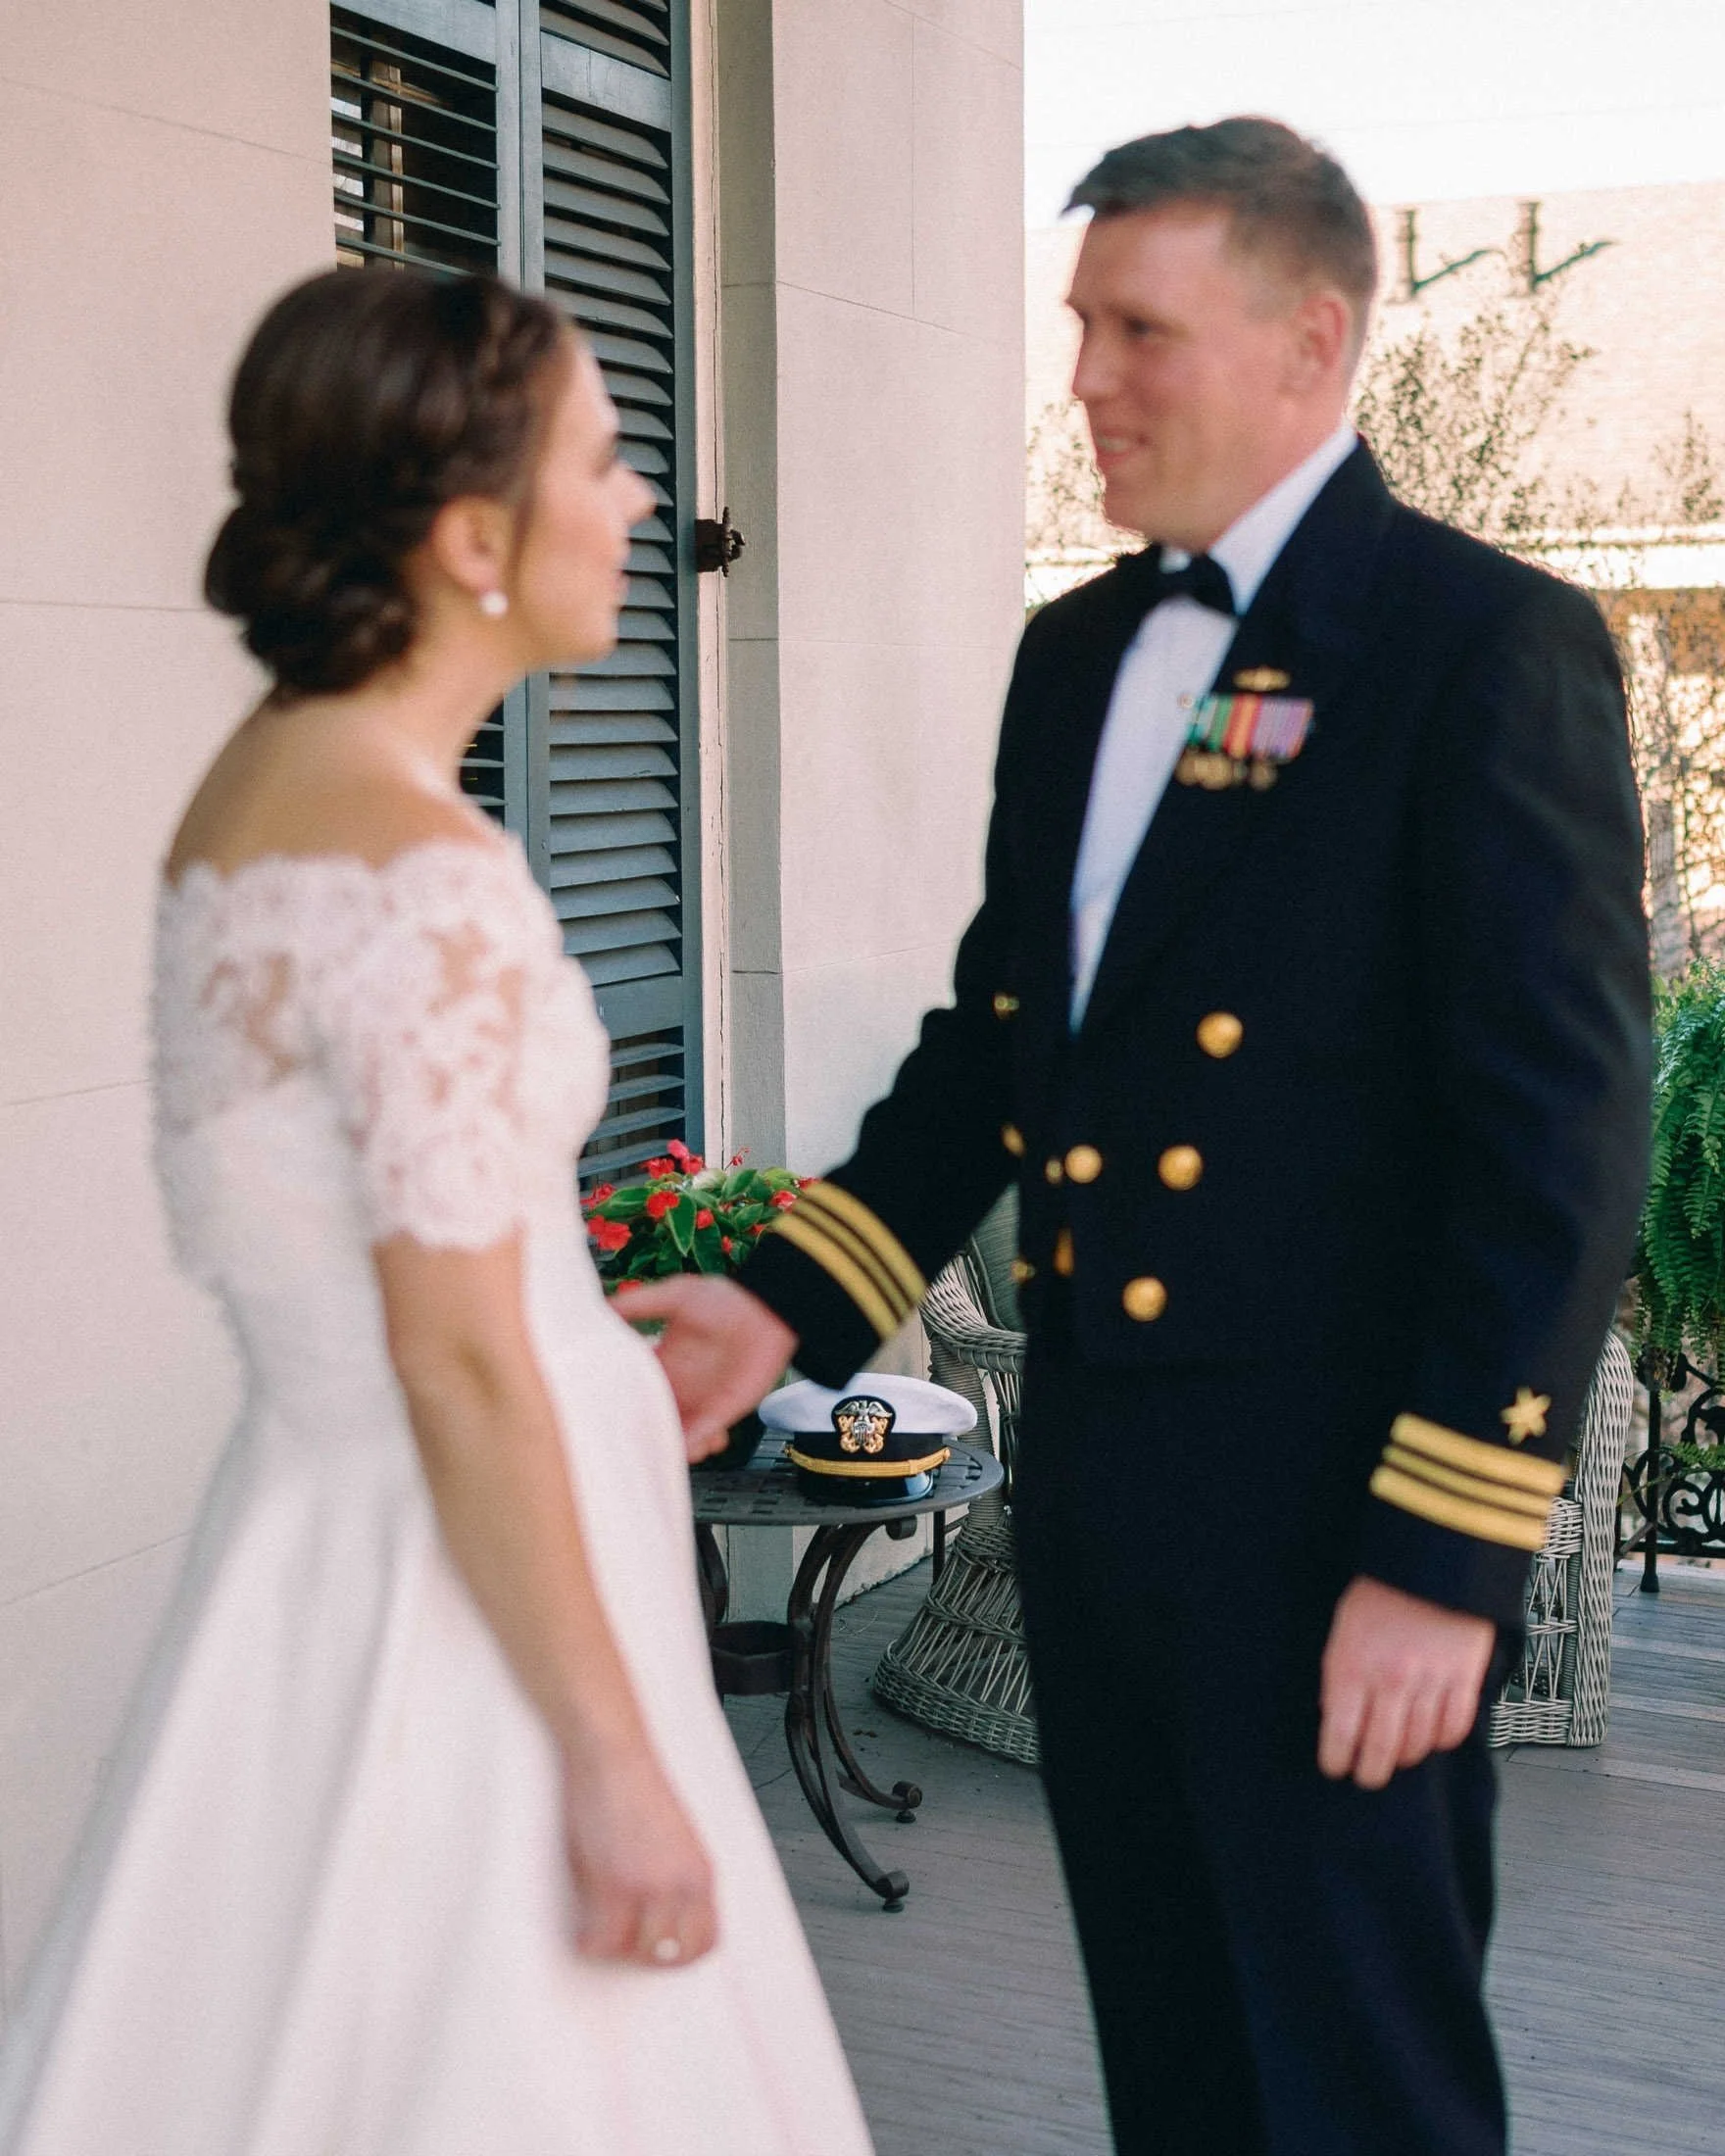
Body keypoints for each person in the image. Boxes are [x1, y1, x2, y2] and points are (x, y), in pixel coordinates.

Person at [628, 120, 1652, 2155]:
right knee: (1180, 2075)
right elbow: (998, 1054)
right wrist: (782, 1305)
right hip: (1107, 1520)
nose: (1084, 376)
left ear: (1309, 342)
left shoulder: (1481, 646)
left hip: (1336, 1531)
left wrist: (1441, 1560)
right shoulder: (1077, 655)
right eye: (1082, 323)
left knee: (1358, 2089)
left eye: (1137, 329)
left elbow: (1558, 1140)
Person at [0, 269, 872, 2156]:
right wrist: (620, 1761)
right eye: (608, 459)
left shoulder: (252, 800)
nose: (646, 501)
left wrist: (584, 1328)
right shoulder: (423, 868)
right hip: (463, 1600)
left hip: (313, 1545)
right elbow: (458, 1366)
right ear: (477, 534)